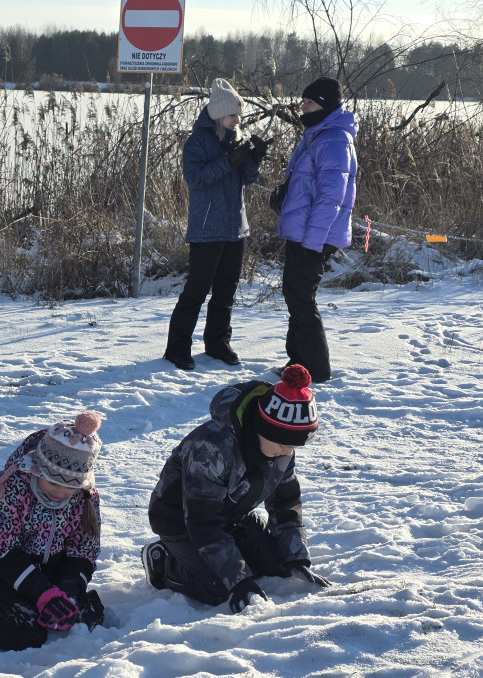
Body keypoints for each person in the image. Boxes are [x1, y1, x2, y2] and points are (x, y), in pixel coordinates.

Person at [141, 364, 330, 614]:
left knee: (277, 564)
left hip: (233, 514)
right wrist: (238, 580)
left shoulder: (281, 450)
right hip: (181, 521)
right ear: (262, 429)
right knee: (219, 588)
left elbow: (286, 502)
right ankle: (163, 562)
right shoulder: (210, 448)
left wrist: (295, 557)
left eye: (294, 447)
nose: (288, 452)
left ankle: (237, 552)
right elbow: (203, 521)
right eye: (283, 444)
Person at [0, 412, 104, 651]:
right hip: (6, 574)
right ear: (39, 469)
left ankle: (58, 600)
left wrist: (68, 589)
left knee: (88, 617)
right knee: (25, 634)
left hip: (54, 573)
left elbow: (83, 549)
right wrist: (40, 592)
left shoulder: (84, 498)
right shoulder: (11, 490)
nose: (59, 492)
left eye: (69, 487)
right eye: (52, 482)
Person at [164, 78, 269, 371]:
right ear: (218, 114)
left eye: (239, 114)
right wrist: (230, 160)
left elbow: (247, 179)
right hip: (208, 227)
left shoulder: (236, 137)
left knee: (226, 290)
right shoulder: (197, 142)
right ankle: (177, 348)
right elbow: (196, 180)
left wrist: (253, 159)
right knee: (196, 290)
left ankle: (217, 343)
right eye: (233, 114)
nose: (239, 119)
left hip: (236, 226)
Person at [275, 76, 358, 383]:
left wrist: (311, 242)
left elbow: (330, 198)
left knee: (301, 297)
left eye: (308, 102)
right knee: (295, 294)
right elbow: (307, 186)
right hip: (304, 231)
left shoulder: (334, 139)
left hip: (315, 235)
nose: (302, 107)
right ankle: (297, 366)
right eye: (302, 102)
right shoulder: (317, 134)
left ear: (324, 104)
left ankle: (316, 371)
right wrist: (283, 198)